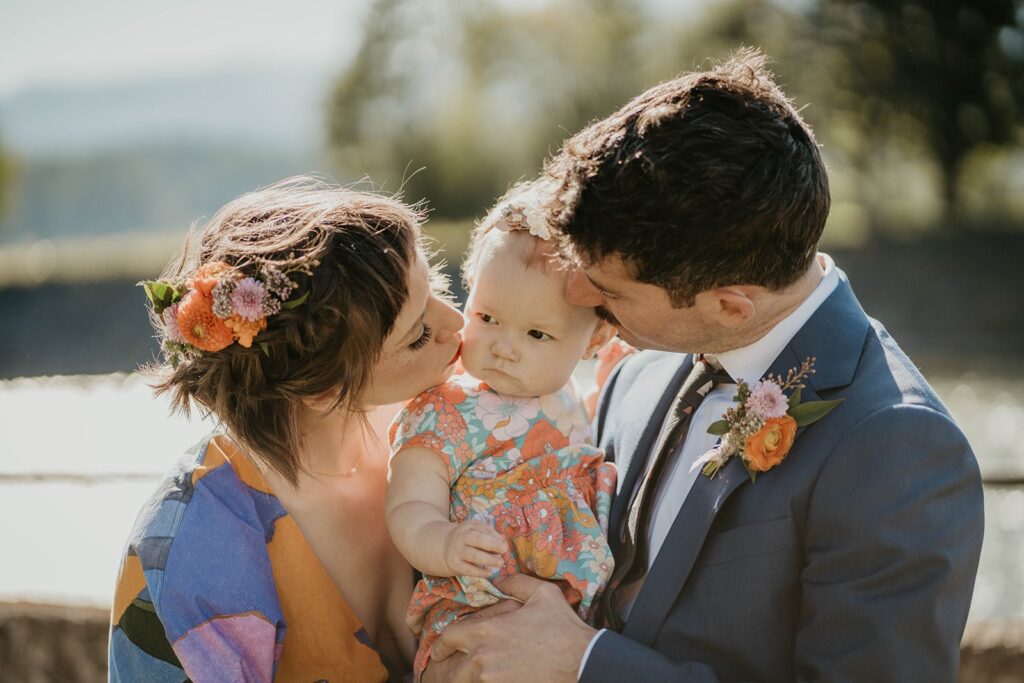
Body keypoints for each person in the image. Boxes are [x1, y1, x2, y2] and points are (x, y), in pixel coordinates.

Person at [425, 49, 985, 682]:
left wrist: (583, 663)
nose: (578, 297)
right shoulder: (635, 374)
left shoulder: (899, 447)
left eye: (610, 288)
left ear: (729, 305)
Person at [108, 176, 464, 682]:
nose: (459, 323)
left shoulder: (451, 427)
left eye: (440, 289)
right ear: (321, 388)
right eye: (419, 334)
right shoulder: (193, 553)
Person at [386, 180, 618, 679]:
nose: (504, 347)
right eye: (487, 317)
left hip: (576, 611)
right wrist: (444, 543)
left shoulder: (565, 390)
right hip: (479, 602)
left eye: (537, 334)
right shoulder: (443, 411)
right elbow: (409, 506)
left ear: (595, 337)